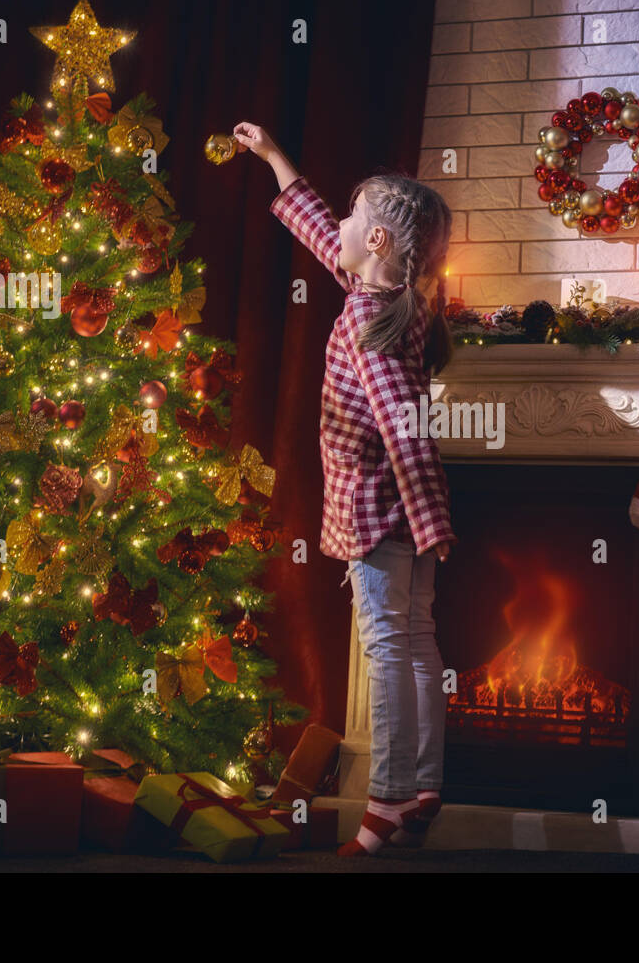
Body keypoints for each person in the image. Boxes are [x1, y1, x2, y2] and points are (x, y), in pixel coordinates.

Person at [234, 122, 456, 856]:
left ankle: (388, 797)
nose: (341, 227)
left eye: (355, 220)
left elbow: (405, 429)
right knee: (417, 641)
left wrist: (428, 522)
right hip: (399, 518)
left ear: (383, 243)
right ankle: (423, 783)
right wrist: (271, 156)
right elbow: (318, 231)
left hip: (379, 515)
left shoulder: (368, 316)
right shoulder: (391, 297)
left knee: (390, 649)